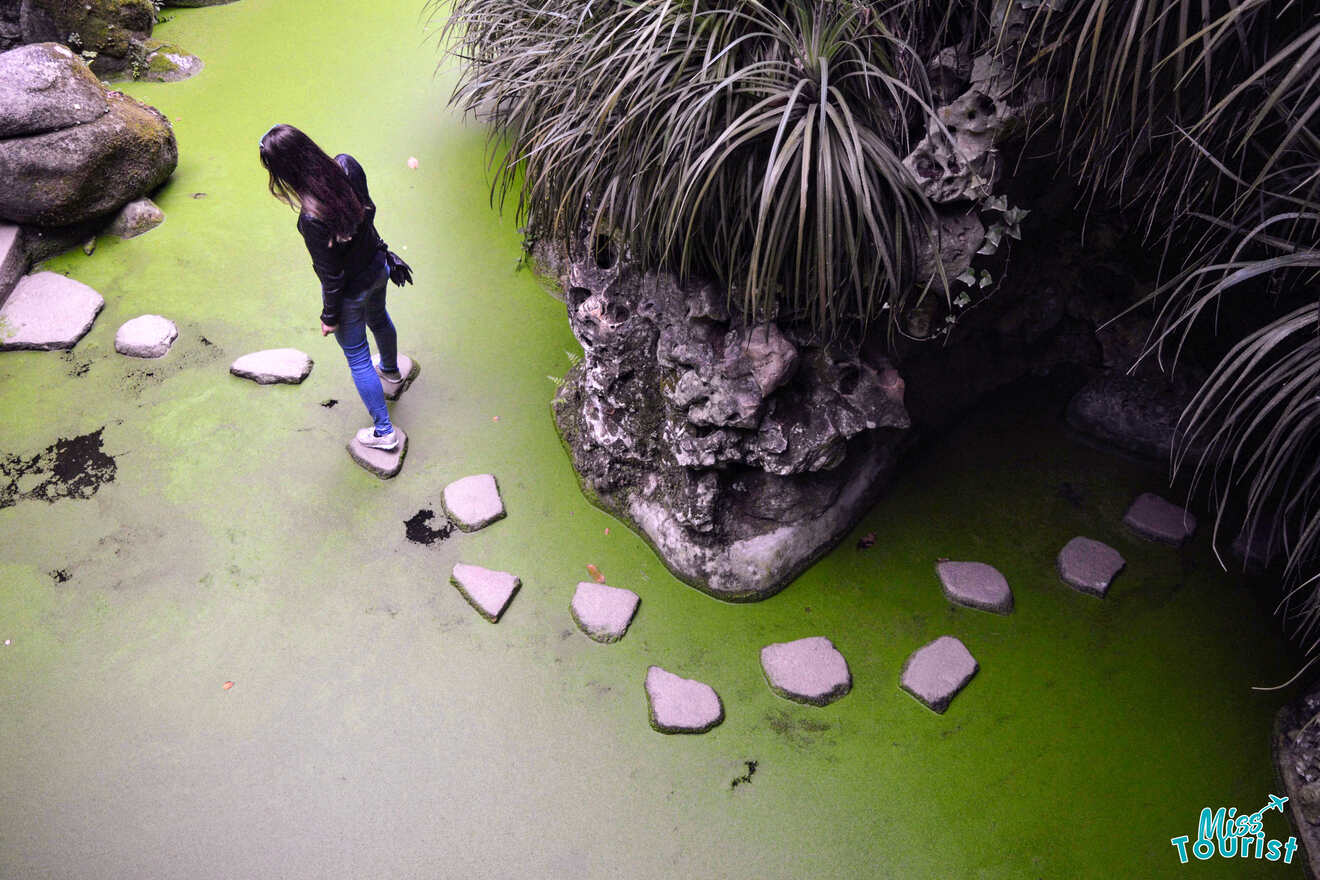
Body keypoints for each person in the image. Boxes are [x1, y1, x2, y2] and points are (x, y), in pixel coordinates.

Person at [258, 123, 410, 451]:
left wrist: (329, 317)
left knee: (357, 357)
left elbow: (332, 277)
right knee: (380, 319)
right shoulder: (347, 165)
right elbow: (369, 212)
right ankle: (392, 372)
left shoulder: (311, 218)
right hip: (378, 267)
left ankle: (384, 433)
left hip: (352, 292)